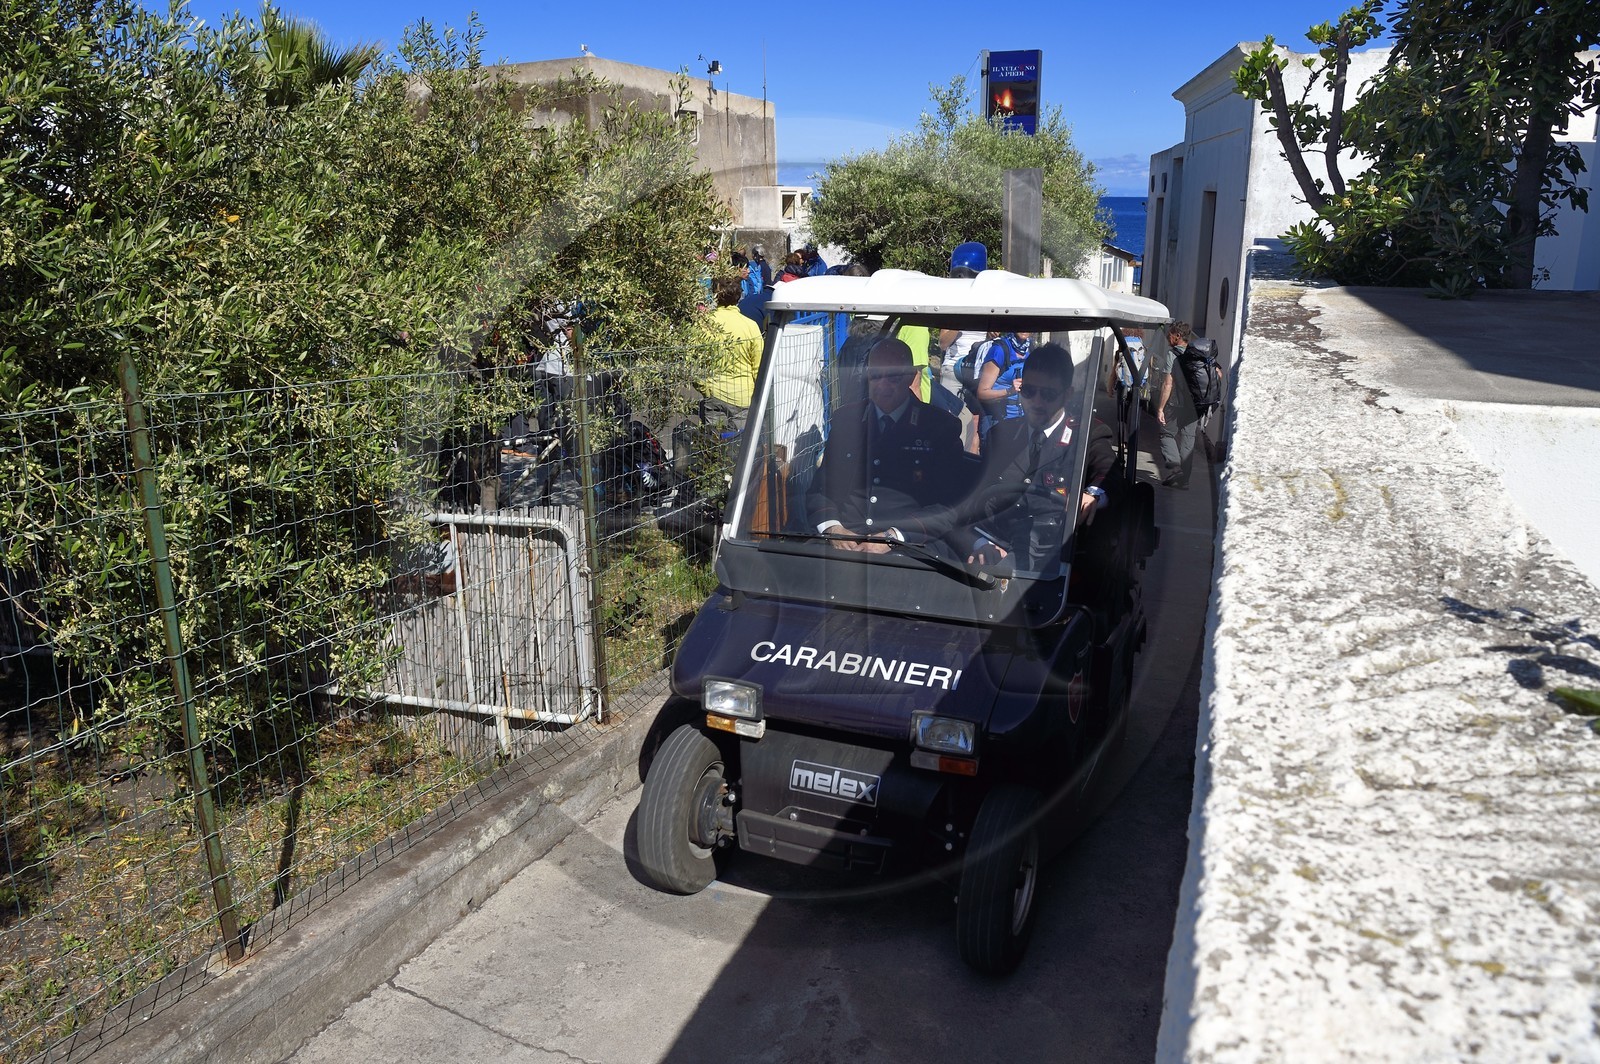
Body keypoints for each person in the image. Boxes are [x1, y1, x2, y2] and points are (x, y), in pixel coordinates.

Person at [965, 342, 1114, 575]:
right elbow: (979, 497)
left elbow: (1111, 474)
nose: (1036, 401)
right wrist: (982, 543)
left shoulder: (1087, 435)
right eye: (1028, 391)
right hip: (996, 537)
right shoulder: (1002, 433)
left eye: (1048, 394)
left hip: (1049, 547)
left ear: (1067, 395)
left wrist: (1092, 494)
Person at [805, 339, 964, 552]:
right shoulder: (846, 420)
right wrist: (833, 528)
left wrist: (893, 537)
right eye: (876, 376)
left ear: (910, 376)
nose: (883, 385)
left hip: (909, 547)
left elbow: (949, 506)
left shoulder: (938, 427)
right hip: (844, 542)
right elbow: (821, 490)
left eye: (893, 377)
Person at [1153, 320, 1208, 487]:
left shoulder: (1173, 354)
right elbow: (1218, 374)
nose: (1168, 338)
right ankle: (1184, 481)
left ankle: (1176, 468)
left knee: (1166, 434)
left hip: (1176, 404)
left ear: (1178, 336)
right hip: (1195, 405)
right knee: (1188, 439)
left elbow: (1168, 383)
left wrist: (1161, 408)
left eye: (1170, 335)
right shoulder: (1199, 353)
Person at [700, 276, 763, 417]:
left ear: (715, 297)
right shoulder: (751, 326)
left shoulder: (704, 324)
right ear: (738, 297)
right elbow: (758, 368)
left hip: (714, 394)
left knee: (714, 438)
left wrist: (705, 389)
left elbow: (690, 361)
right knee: (742, 438)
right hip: (744, 397)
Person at [973, 331, 1032, 445]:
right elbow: (982, 393)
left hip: (1020, 420)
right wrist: (1009, 391)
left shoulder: (1031, 349)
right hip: (995, 421)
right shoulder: (999, 350)